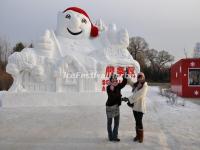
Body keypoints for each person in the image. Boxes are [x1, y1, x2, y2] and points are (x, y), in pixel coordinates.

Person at [122, 72, 148, 143]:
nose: (140, 78)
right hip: (135, 107)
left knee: (139, 121)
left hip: (140, 107)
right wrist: (127, 77)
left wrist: (128, 99)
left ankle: (141, 137)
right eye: (139, 77)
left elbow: (138, 95)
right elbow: (131, 83)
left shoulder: (145, 86)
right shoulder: (136, 85)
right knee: (136, 121)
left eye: (141, 77)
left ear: (143, 78)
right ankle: (137, 135)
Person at [106, 73, 127, 142]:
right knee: (109, 122)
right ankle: (110, 136)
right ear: (111, 80)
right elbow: (112, 97)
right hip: (109, 107)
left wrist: (125, 76)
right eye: (113, 79)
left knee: (116, 123)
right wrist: (120, 98)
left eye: (115, 79)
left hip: (116, 106)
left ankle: (115, 136)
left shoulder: (118, 86)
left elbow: (124, 83)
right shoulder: (109, 87)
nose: (114, 80)